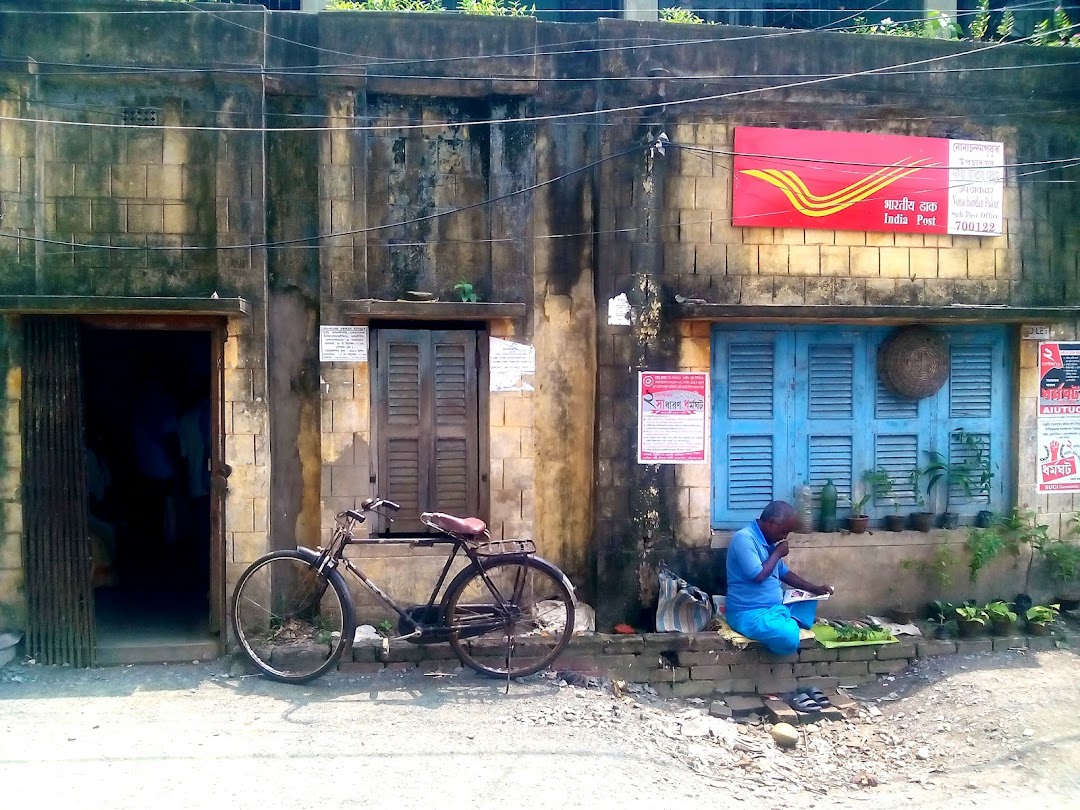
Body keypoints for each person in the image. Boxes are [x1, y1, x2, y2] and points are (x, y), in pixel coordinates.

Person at [725, 500, 834, 655]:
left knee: (810, 600)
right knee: (789, 637)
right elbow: (758, 575)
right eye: (783, 531)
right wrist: (777, 553)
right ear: (771, 523)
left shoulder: (767, 541)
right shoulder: (744, 539)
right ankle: (784, 622)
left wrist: (815, 588)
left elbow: (785, 573)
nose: (784, 537)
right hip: (749, 613)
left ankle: (782, 618)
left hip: (775, 606)